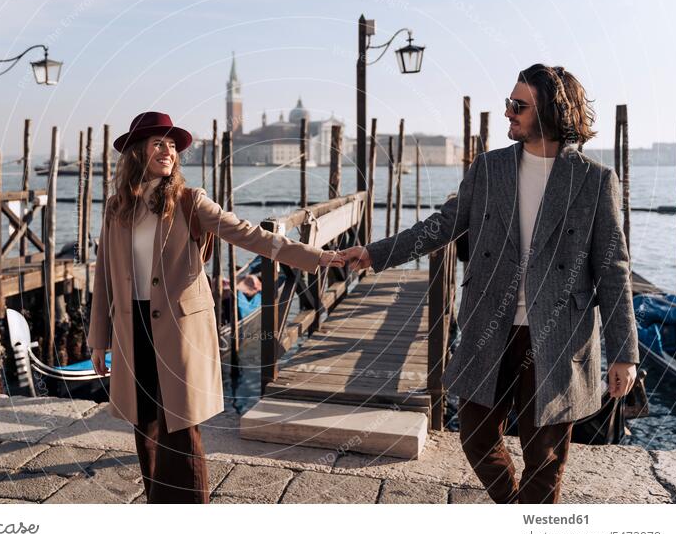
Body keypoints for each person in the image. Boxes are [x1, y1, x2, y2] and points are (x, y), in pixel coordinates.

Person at [339, 64, 639, 504]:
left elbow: (614, 268)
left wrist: (625, 355)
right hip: (490, 325)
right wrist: (373, 253)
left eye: (518, 106)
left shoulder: (595, 181)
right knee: (476, 436)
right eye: (508, 104)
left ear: (551, 112)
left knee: (545, 456)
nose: (508, 113)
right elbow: (443, 226)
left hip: (559, 334)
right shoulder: (490, 168)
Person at [86, 111, 345, 503]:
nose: (168, 151)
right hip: (131, 327)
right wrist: (98, 339)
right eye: (159, 143)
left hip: (179, 328)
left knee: (181, 428)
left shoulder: (190, 201)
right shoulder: (116, 208)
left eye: (172, 145)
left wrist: (316, 257)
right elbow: (104, 276)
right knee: (146, 425)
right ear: (138, 152)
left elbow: (249, 235)